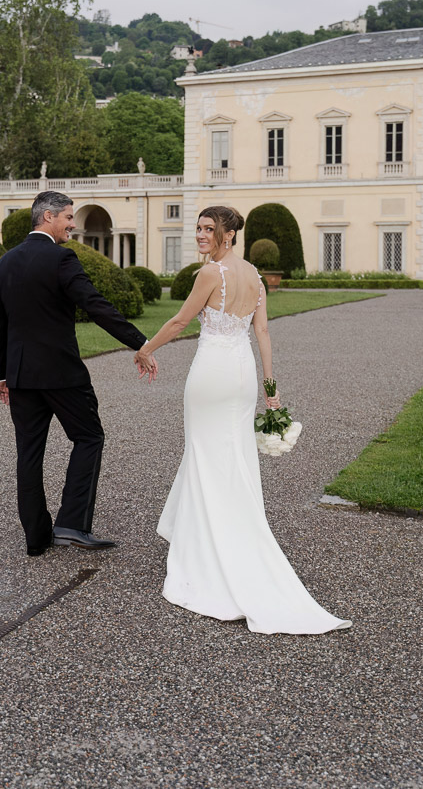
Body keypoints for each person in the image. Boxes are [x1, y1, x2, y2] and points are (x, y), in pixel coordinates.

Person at [135, 205, 351, 635]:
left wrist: (146, 349)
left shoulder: (210, 274)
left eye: (208, 229)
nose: (200, 235)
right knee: (232, 454)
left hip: (212, 373)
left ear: (229, 234)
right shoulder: (254, 276)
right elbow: (262, 333)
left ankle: (207, 546)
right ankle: (227, 531)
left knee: (204, 453)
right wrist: (271, 390)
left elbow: (180, 321)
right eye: (198, 228)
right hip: (243, 375)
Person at [0, 191, 157, 556]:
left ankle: (37, 539)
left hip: (20, 375)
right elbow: (95, 305)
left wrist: (1, 375)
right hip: (61, 374)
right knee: (89, 437)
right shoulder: (61, 258)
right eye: (68, 216)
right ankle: (72, 525)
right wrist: (140, 342)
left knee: (28, 453)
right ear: (48, 216)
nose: (72, 224)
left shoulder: (5, 262)